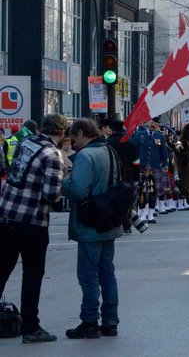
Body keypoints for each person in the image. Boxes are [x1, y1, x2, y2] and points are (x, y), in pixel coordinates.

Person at [0, 114, 67, 343]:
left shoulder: (25, 143)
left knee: (2, 269)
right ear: (62, 132)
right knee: (32, 274)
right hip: (32, 220)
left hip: (7, 213)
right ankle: (31, 327)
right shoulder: (53, 154)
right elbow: (52, 194)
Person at [61, 118, 123, 339]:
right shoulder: (109, 151)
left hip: (90, 222)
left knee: (88, 275)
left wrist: (64, 181)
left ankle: (89, 321)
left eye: (73, 137)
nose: (73, 143)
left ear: (80, 133)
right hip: (109, 220)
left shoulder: (86, 156)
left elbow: (77, 190)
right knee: (108, 274)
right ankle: (110, 320)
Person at [105, 119, 140, 233]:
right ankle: (127, 225)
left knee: (110, 200)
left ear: (111, 130)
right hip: (127, 176)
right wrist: (136, 176)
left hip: (110, 176)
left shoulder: (107, 143)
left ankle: (112, 223)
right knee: (126, 201)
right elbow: (136, 161)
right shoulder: (129, 142)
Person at [133, 117, 168, 223]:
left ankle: (151, 214)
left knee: (154, 192)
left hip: (155, 167)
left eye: (155, 123)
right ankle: (143, 213)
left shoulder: (160, 136)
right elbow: (135, 151)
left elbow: (164, 152)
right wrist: (135, 165)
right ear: (147, 122)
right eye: (151, 122)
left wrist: (165, 164)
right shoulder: (139, 135)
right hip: (141, 167)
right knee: (141, 191)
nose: (153, 124)